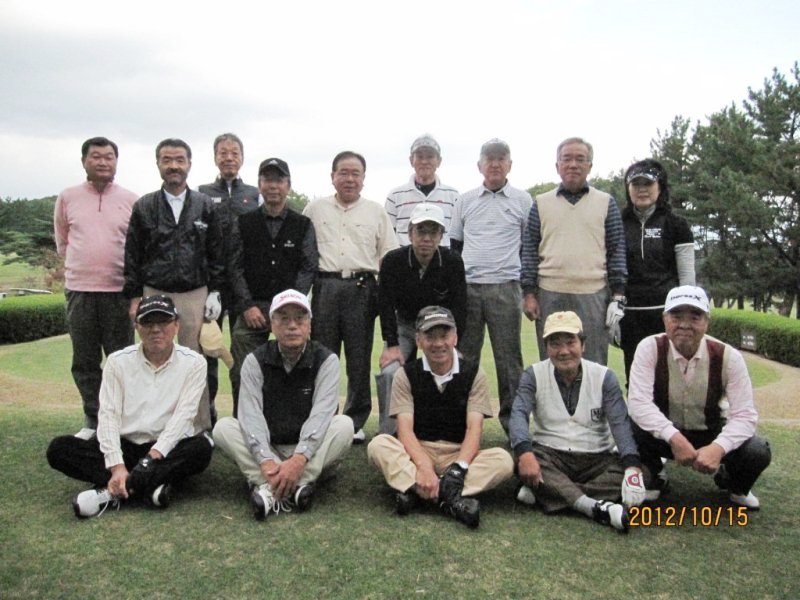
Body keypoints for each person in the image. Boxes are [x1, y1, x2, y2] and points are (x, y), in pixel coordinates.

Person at [46, 295, 214, 518]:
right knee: (59, 449)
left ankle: (112, 492)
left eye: (163, 322)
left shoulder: (194, 362)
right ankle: (152, 486)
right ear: (136, 326)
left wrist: (150, 459)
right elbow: (108, 415)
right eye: (148, 322)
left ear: (176, 325)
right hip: (125, 445)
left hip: (165, 449)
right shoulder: (118, 361)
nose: (156, 329)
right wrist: (116, 465)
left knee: (201, 448)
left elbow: (184, 416)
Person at [212, 289, 354, 520]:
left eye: (299, 318)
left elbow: (321, 415)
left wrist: (299, 459)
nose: (292, 326)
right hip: (269, 446)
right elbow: (250, 415)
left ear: (309, 325)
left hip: (310, 451)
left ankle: (269, 487)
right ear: (272, 325)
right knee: (223, 428)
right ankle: (296, 487)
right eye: (284, 319)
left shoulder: (326, 360)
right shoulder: (254, 360)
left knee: (344, 425)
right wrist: (266, 460)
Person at [368, 306, 514, 528]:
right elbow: (405, 430)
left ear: (455, 338)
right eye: (430, 337)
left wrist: (458, 468)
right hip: (418, 451)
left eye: (444, 336)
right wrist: (424, 466)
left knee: (503, 461)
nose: (438, 344)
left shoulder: (474, 373)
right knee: (378, 445)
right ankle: (450, 498)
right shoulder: (405, 374)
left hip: (457, 451)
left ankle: (418, 492)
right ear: (418, 341)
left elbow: (474, 429)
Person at [628, 285, 771, 509]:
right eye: (676, 316)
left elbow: (745, 415)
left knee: (757, 450)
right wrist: (674, 438)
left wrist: (718, 448)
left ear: (707, 322)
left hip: (710, 432)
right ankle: (654, 474)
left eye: (695, 317)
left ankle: (734, 484)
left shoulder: (729, 357)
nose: (684, 324)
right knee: (629, 427)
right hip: (664, 436)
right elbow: (639, 403)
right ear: (664, 319)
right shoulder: (649, 348)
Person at [508, 311, 645, 532]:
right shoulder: (533, 375)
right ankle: (595, 506)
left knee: (643, 470)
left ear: (583, 345)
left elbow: (620, 423)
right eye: (555, 344)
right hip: (550, 454)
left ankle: (551, 493)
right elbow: (518, 414)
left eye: (570, 342)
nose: (563, 351)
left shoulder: (604, 377)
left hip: (596, 457)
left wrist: (631, 466)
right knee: (521, 460)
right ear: (546, 348)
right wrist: (524, 454)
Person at [123, 138, 224, 430]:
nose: (173, 166)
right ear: (158, 164)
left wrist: (215, 291)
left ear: (189, 164)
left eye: (179, 160)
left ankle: (200, 427)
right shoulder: (144, 206)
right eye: (167, 160)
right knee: (155, 358)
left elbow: (217, 251)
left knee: (196, 362)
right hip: (155, 291)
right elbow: (132, 254)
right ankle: (155, 426)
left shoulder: (204, 205)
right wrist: (134, 297)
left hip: (195, 293)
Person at [303, 151, 398, 444]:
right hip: (325, 286)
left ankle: (355, 420)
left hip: (362, 288)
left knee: (359, 358)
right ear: (332, 176)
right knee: (323, 356)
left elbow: (388, 256)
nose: (349, 179)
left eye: (355, 173)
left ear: (363, 179)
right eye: (343, 172)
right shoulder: (314, 209)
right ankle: (324, 417)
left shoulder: (375, 212)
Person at [54, 136, 138, 439]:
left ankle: (123, 420)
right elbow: (63, 242)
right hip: (80, 291)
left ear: (116, 161)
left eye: (109, 157)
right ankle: (93, 418)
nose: (103, 162)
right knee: (85, 360)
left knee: (122, 360)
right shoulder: (67, 197)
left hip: (118, 292)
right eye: (96, 156)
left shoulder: (131, 199)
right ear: (84, 161)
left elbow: (136, 247)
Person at [449, 138, 532, 433]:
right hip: (469, 288)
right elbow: (455, 246)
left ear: (510, 164)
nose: (495, 164)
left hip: (505, 287)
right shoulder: (465, 200)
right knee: (464, 357)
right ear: (479, 165)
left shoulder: (523, 200)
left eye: (501, 159)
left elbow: (529, 247)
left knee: (509, 360)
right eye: (489, 159)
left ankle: (514, 424)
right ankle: (460, 422)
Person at [522, 137, 627, 366]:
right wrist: (528, 293)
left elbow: (616, 250)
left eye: (580, 159)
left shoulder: (606, 202)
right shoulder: (540, 203)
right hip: (549, 294)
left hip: (593, 295)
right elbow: (529, 251)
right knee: (552, 364)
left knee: (593, 363)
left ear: (590, 166)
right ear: (557, 165)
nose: (573, 165)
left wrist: (618, 295)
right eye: (567, 159)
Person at [227, 157, 318, 413]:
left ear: (288, 185)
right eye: (268, 180)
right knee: (243, 369)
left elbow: (308, 266)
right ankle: (243, 420)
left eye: (279, 180)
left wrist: (291, 305)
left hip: (290, 311)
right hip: (253, 309)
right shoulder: (243, 223)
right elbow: (235, 267)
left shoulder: (302, 224)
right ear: (259, 185)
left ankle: (292, 420)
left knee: (298, 368)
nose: (273, 186)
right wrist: (247, 306)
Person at [376, 203, 467, 435]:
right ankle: (389, 435)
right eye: (421, 231)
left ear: (441, 235)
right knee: (390, 372)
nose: (426, 238)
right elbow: (386, 305)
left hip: (439, 329)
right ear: (410, 233)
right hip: (405, 327)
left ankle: (445, 431)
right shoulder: (393, 261)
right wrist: (392, 345)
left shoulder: (453, 261)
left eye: (433, 232)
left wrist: (455, 345)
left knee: (452, 369)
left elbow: (460, 306)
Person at [199, 133, 260, 411]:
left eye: (234, 153)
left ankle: (242, 414)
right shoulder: (202, 193)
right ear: (215, 157)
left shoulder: (253, 195)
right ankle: (206, 413)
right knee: (207, 350)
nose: (229, 158)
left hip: (243, 285)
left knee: (241, 353)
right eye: (223, 153)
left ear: (242, 158)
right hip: (210, 283)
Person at [619, 159, 695, 383]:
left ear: (660, 187)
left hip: (667, 314)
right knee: (635, 377)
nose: (641, 189)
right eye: (636, 184)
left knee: (669, 375)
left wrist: (686, 312)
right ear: (628, 189)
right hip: (630, 315)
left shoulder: (676, 224)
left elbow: (687, 276)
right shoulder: (618, 222)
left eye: (648, 184)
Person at [385, 134, 460, 247]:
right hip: (405, 256)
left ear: (439, 161)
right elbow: (387, 236)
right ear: (411, 160)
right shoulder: (395, 196)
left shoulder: (453, 196)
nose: (424, 161)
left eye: (430, 157)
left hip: (442, 257)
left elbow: (457, 236)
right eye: (419, 157)